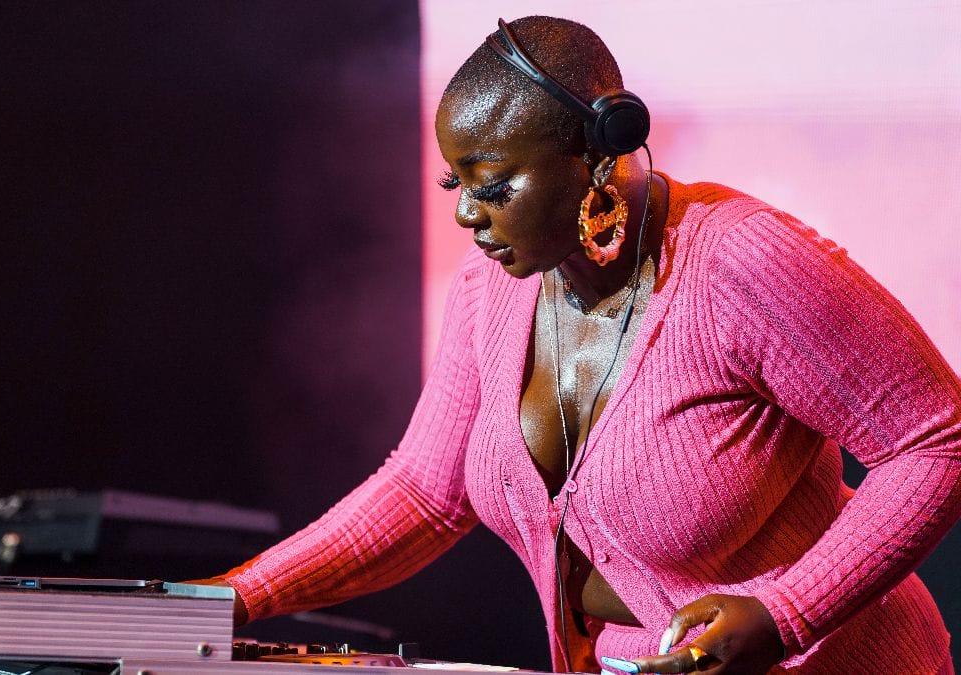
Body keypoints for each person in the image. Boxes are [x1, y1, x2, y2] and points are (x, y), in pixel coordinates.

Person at [195, 16, 961, 674]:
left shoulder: (739, 262)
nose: (467, 215)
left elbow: (935, 440)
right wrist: (237, 595)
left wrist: (785, 613)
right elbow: (425, 493)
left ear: (598, 153)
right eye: (455, 185)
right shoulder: (491, 288)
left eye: (494, 186)